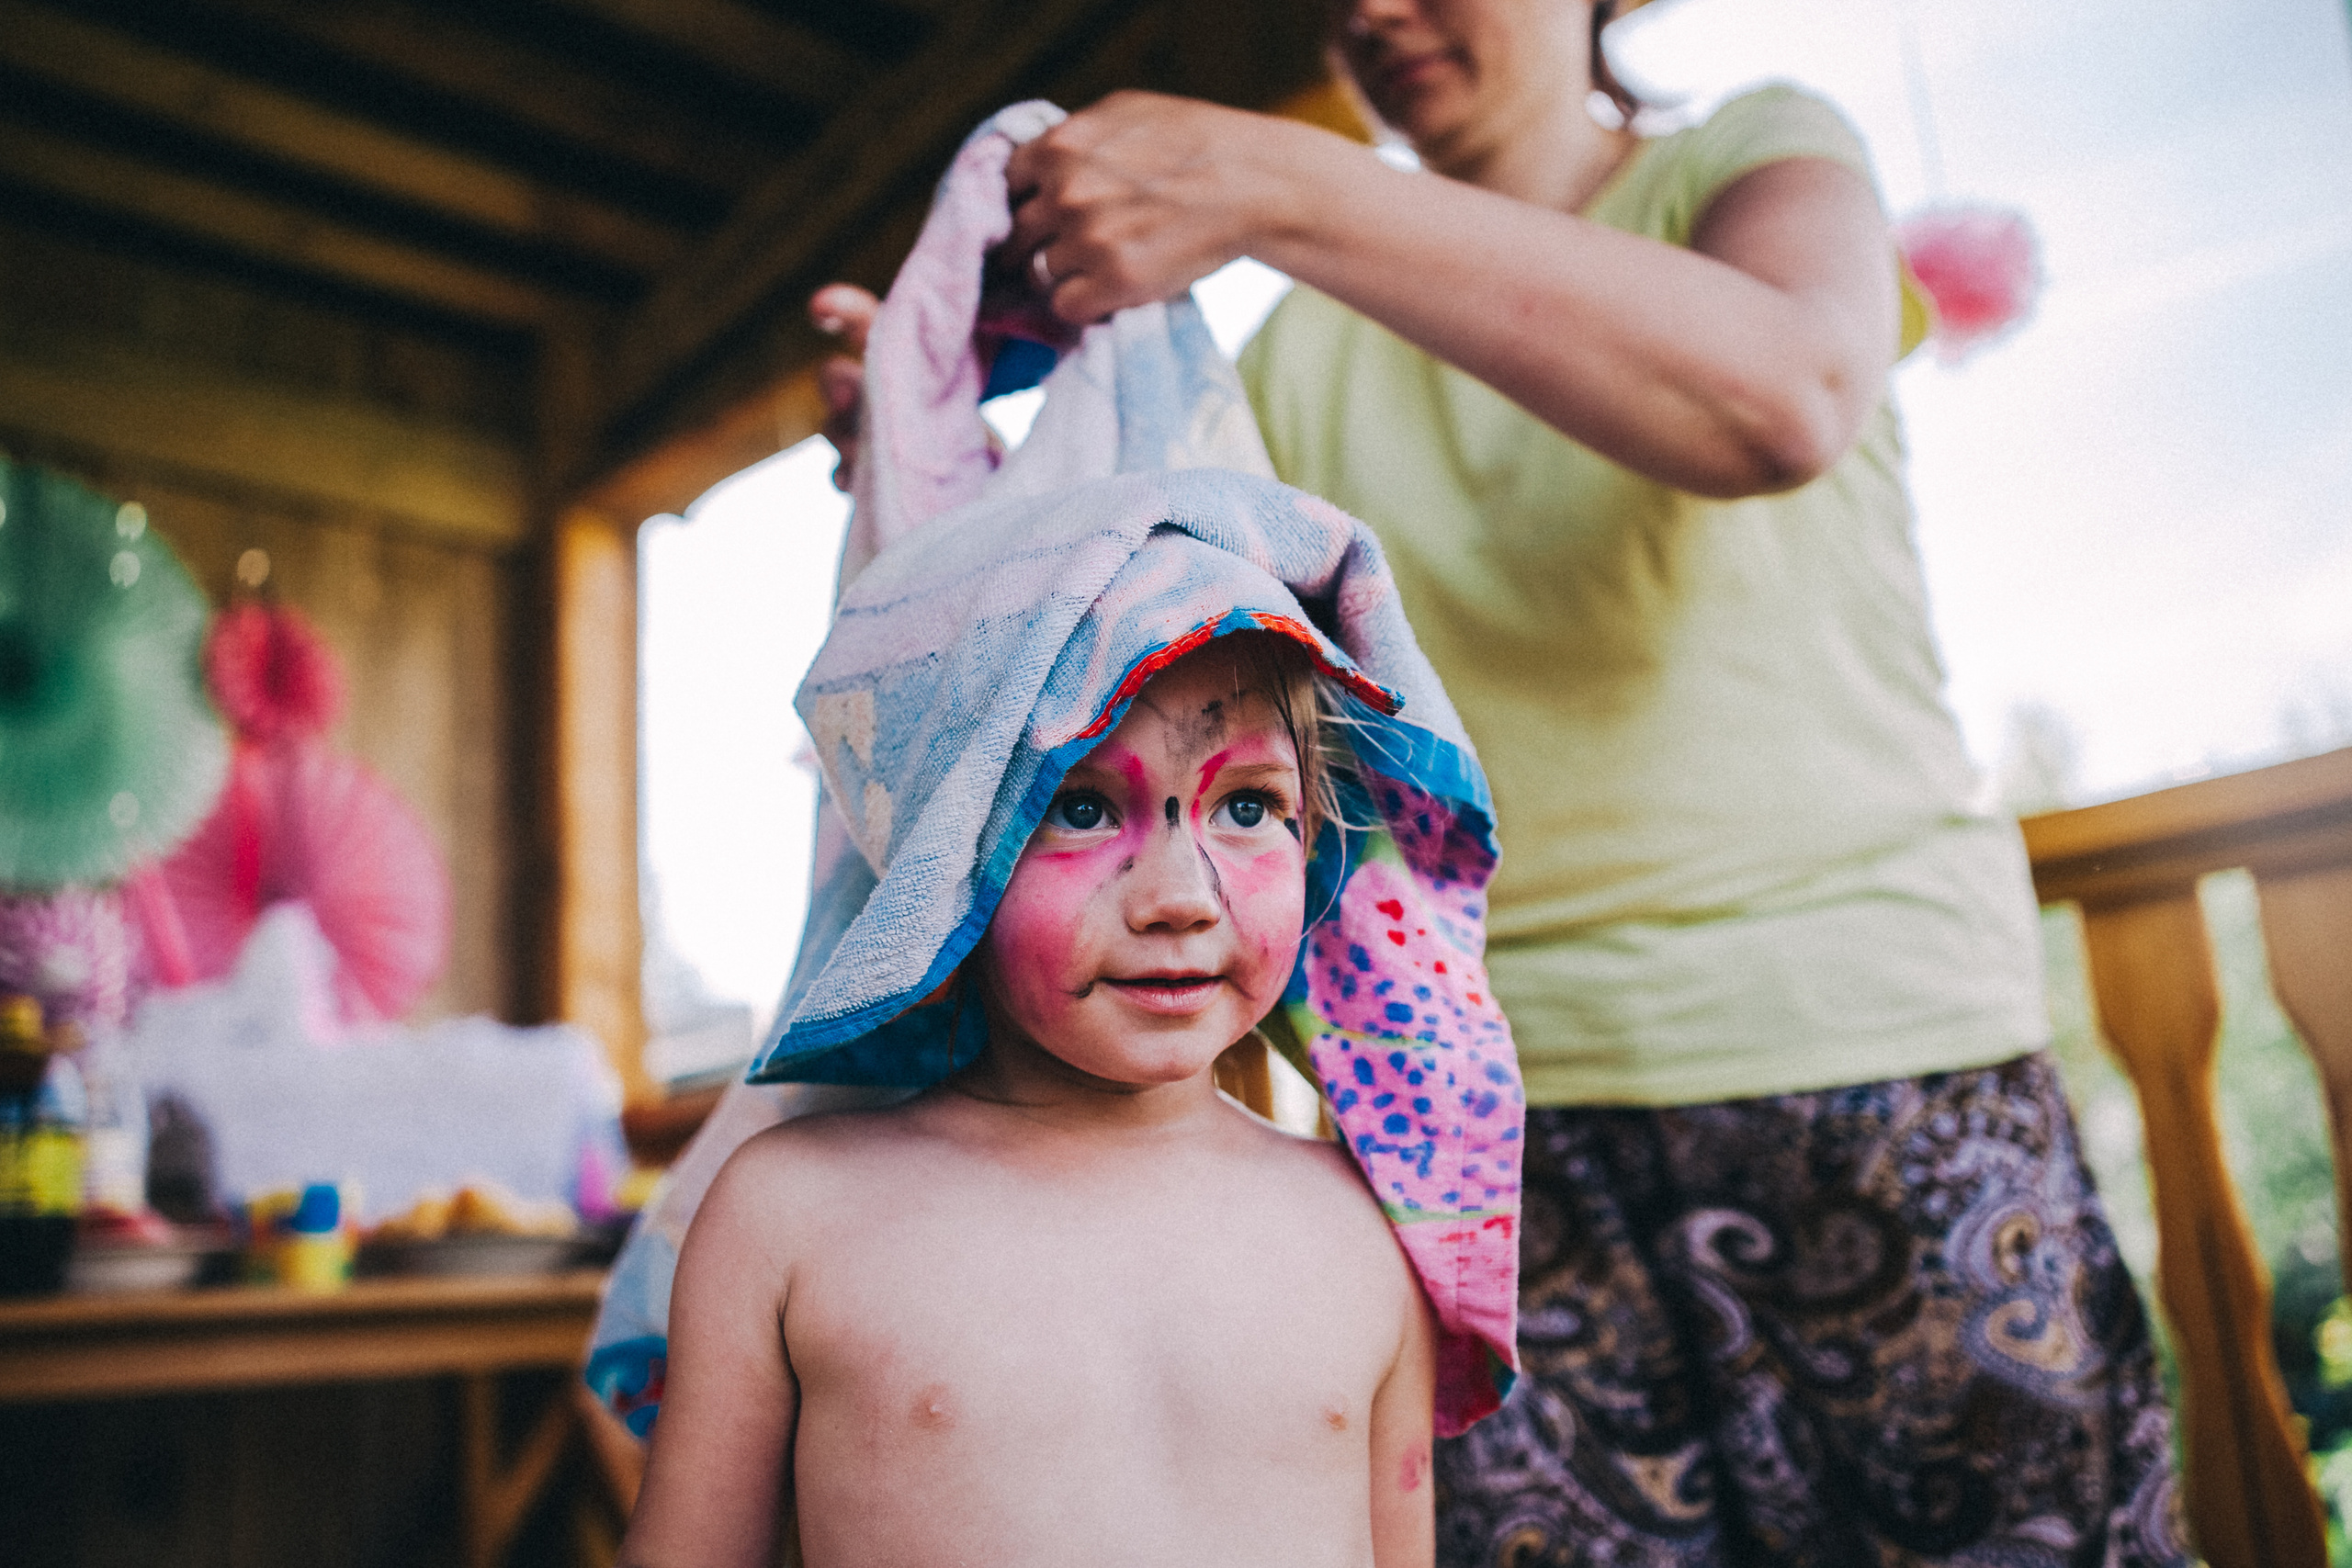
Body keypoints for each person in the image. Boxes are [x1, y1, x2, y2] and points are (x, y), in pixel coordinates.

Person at [810, 2, 2185, 1564]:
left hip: (1869, 1045)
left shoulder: (1759, 156)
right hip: (1468, 1124)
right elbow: (1129, 655)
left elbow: (1783, 393)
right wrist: (928, 467)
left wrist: (1272, 182)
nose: (1372, 13)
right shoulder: (1292, 358)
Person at [623, 637, 1441, 1568]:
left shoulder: (1366, 1222)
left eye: (1247, 806)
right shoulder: (790, 1215)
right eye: (1080, 806)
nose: (1179, 896)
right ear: (943, 852)